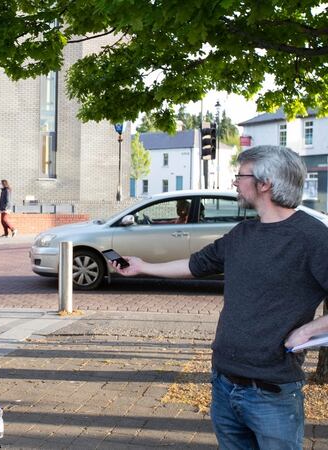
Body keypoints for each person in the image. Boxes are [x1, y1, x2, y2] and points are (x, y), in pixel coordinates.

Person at [112, 145, 328, 450]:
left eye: (241, 176)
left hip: (272, 392)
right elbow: (196, 264)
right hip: (224, 384)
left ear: (265, 183)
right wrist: (143, 267)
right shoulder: (244, 232)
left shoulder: (313, 237)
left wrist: (309, 330)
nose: (235, 183)